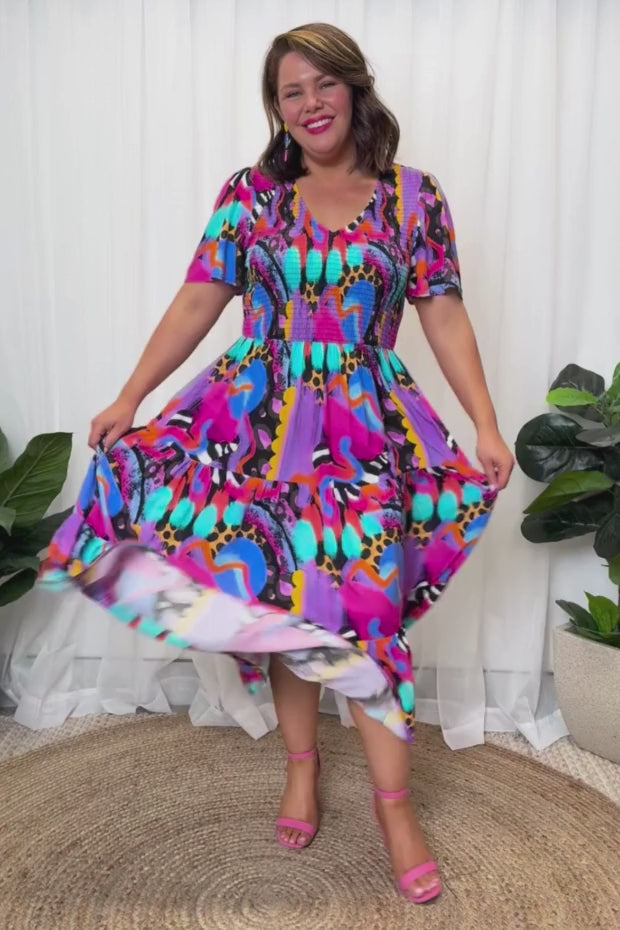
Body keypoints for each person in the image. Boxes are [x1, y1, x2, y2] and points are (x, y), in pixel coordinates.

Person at [39, 22, 514, 905]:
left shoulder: (414, 198)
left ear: (355, 89)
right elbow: (199, 299)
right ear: (277, 108)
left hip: (366, 433)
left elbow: (444, 313)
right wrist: (131, 396)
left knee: (364, 613)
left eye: (323, 84)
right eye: (291, 91)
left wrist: (484, 424)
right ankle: (302, 768)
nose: (310, 103)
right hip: (256, 425)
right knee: (286, 608)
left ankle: (395, 809)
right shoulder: (251, 195)